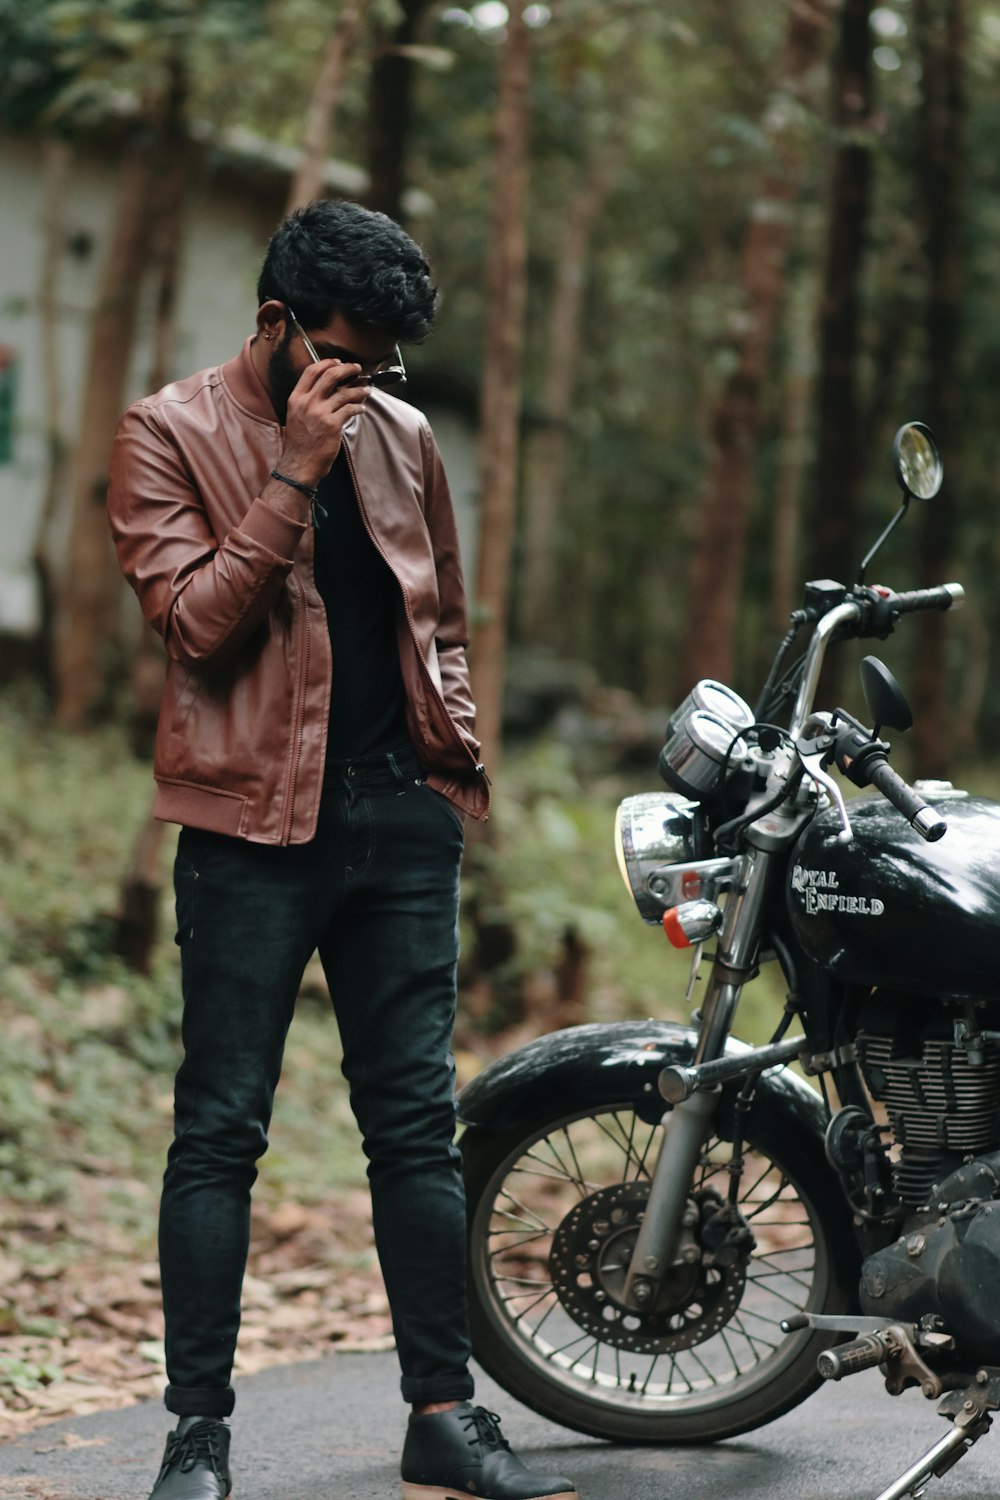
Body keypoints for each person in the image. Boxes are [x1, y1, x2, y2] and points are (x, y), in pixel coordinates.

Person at [108, 200, 578, 1500]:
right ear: (277, 324)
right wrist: (293, 472)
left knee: (416, 1135)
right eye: (344, 360)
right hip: (248, 833)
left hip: (396, 828)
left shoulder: (407, 437)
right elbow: (197, 628)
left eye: (383, 369)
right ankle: (197, 1441)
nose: (365, 390)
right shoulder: (167, 433)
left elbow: (445, 624)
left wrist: (448, 780)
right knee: (219, 1135)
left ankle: (444, 1414)